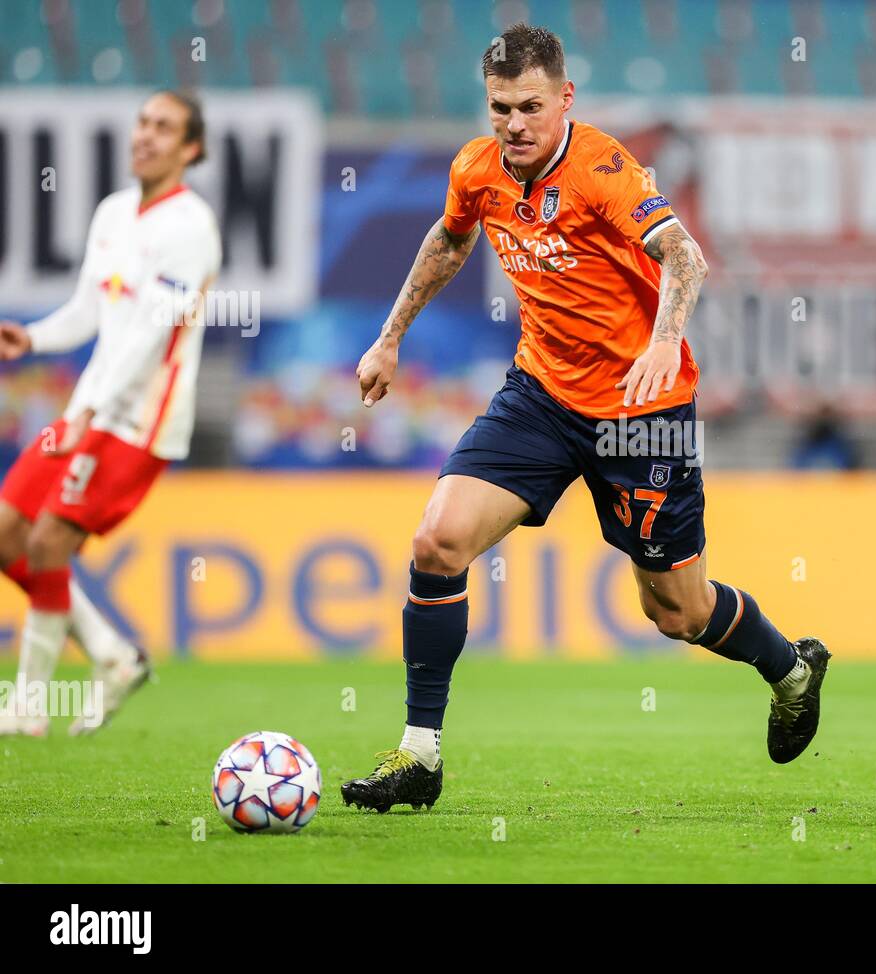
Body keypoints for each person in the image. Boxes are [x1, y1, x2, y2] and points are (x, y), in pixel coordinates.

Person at [342, 24, 829, 813]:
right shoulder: (478, 168)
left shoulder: (604, 169)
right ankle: (420, 754)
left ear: (565, 98)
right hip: (540, 395)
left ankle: (793, 670)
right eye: (501, 107)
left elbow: (685, 256)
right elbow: (449, 237)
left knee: (678, 612)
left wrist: (665, 341)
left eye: (531, 106)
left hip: (642, 407)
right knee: (437, 541)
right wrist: (389, 338)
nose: (515, 124)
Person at [0, 90, 222, 736]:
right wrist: (35, 338)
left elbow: (150, 337)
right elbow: (93, 311)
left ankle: (29, 705)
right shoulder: (114, 212)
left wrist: (89, 411)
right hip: (88, 407)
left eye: (164, 128)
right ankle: (112, 655)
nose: (146, 136)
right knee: (7, 531)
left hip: (139, 418)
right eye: (143, 123)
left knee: (47, 540)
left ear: (191, 149)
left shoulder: (191, 229)